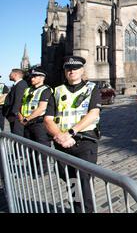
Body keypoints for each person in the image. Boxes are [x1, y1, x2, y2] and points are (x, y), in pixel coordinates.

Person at [44, 56, 102, 213]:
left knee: (84, 181)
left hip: (84, 141)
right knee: (70, 180)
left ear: (82, 70)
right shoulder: (56, 91)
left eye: (75, 68)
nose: (71, 71)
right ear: (64, 71)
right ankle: (77, 208)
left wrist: (70, 132)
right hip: (62, 143)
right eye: (68, 68)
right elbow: (48, 119)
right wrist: (60, 136)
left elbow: (93, 113)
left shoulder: (92, 88)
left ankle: (87, 210)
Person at [18, 67, 52, 147]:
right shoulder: (27, 90)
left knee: (42, 149)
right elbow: (21, 105)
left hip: (39, 124)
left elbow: (41, 108)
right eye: (32, 76)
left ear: (42, 78)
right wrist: (20, 117)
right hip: (26, 123)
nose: (32, 78)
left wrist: (27, 119)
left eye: (35, 76)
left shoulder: (46, 90)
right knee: (29, 148)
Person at [2, 69, 28, 136]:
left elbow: (18, 101)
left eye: (11, 73)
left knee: (18, 137)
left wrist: (15, 114)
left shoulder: (20, 85)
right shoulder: (17, 85)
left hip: (16, 117)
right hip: (14, 116)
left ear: (15, 74)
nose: (9, 75)